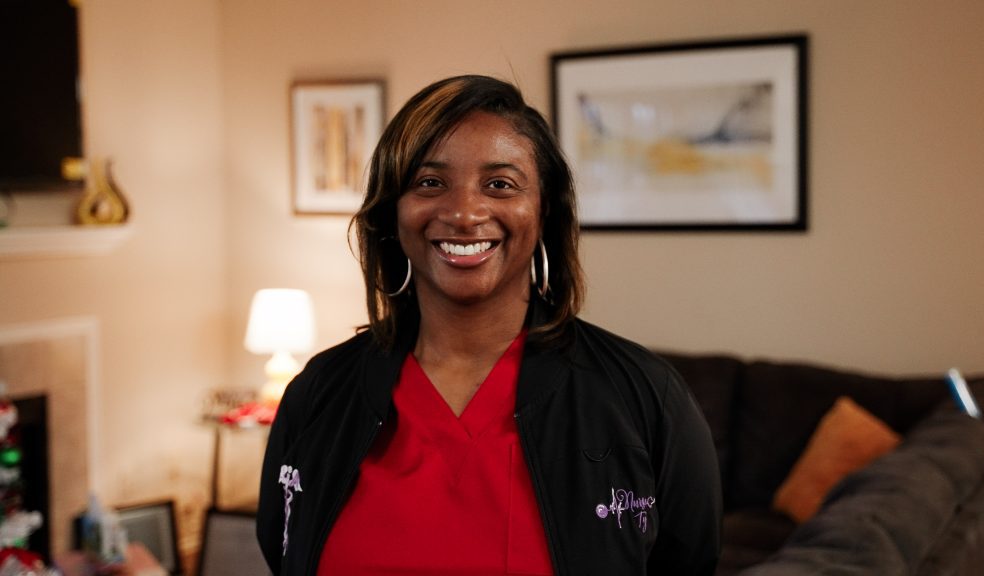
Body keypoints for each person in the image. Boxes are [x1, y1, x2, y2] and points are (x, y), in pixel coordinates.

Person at [257, 75, 721, 575]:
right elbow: (282, 548)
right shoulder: (319, 394)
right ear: (392, 211)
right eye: (429, 183)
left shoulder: (645, 397)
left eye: (499, 184)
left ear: (544, 210)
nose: (464, 213)